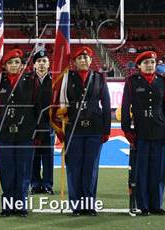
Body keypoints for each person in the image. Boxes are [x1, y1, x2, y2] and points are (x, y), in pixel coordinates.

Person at [0, 49, 37, 217]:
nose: (14, 65)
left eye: (17, 62)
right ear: (4, 66)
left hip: (25, 134)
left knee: (23, 171)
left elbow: (38, 107)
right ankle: (7, 207)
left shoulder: (31, 81)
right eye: (10, 63)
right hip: (4, 134)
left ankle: (20, 206)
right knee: (6, 171)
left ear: (21, 65)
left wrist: (37, 134)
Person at [121, 51, 165, 216]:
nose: (150, 65)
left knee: (158, 171)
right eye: (146, 63)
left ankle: (156, 204)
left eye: (152, 62)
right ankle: (143, 205)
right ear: (139, 66)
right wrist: (127, 131)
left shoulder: (162, 81)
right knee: (141, 171)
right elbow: (125, 108)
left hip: (160, 131)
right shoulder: (132, 82)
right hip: (140, 132)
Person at [62, 46, 111, 216]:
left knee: (90, 169)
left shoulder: (99, 78)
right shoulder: (67, 78)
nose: (83, 60)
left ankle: (89, 205)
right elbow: (60, 104)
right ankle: (76, 206)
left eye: (86, 58)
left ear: (91, 60)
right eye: (79, 58)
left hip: (94, 129)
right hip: (73, 129)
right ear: (74, 62)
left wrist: (106, 130)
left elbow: (106, 105)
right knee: (74, 168)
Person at [30, 50, 54, 195]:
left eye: (44, 61)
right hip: (31, 125)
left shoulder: (54, 81)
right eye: (39, 61)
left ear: (49, 64)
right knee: (33, 156)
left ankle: (47, 184)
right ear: (34, 65)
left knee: (48, 156)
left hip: (48, 124)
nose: (41, 64)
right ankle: (34, 184)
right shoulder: (27, 81)